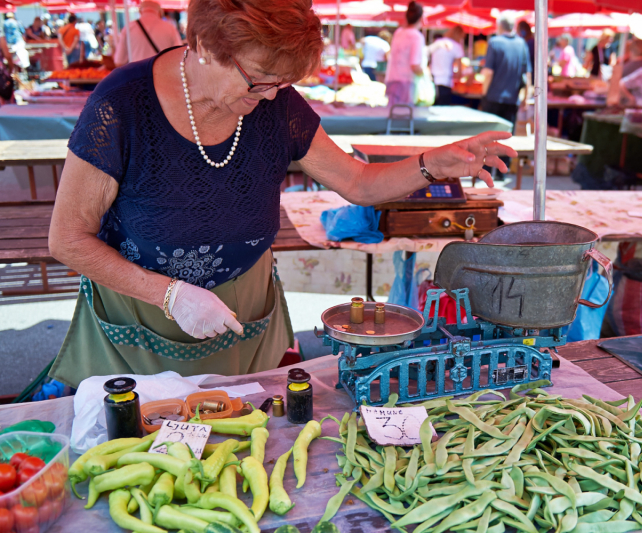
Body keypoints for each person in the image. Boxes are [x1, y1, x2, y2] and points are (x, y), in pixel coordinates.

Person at [46, 0, 516, 385]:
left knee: (250, 442)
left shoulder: (274, 104)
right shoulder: (121, 105)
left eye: (282, 83)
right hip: (141, 311)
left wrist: (433, 163)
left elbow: (357, 182)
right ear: (204, 43)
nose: (270, 96)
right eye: (257, 79)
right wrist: (170, 295)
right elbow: (67, 238)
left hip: (246, 312)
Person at [480, 14, 531, 178]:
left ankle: (486, 170)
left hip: (493, 96)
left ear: (499, 26)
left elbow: (488, 72)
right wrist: (526, 97)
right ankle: (502, 171)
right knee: (507, 136)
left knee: (488, 136)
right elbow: (527, 74)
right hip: (512, 98)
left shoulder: (495, 42)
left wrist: (483, 92)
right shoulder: (521, 44)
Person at [113, 0, 182, 67]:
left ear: (140, 11)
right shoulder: (170, 28)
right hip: (163, 75)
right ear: (160, 13)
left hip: (137, 76)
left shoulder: (128, 28)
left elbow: (119, 62)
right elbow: (180, 56)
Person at [384, 1, 425, 105]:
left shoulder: (399, 33)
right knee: (405, 117)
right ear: (421, 19)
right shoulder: (416, 37)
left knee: (393, 116)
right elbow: (414, 65)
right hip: (406, 83)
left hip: (392, 80)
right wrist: (424, 75)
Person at [428, 25, 464, 106]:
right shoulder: (456, 47)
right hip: (445, 83)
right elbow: (459, 73)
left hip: (432, 82)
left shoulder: (438, 43)